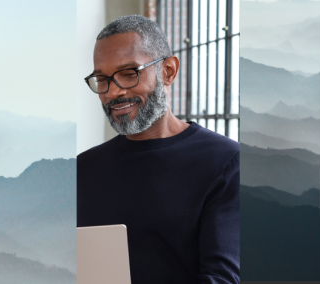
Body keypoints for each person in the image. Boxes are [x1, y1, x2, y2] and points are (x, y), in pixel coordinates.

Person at [77, 15, 239, 284]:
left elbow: (221, 279)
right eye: (102, 79)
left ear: (168, 71)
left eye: (129, 74)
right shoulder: (83, 169)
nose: (113, 92)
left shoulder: (224, 163)